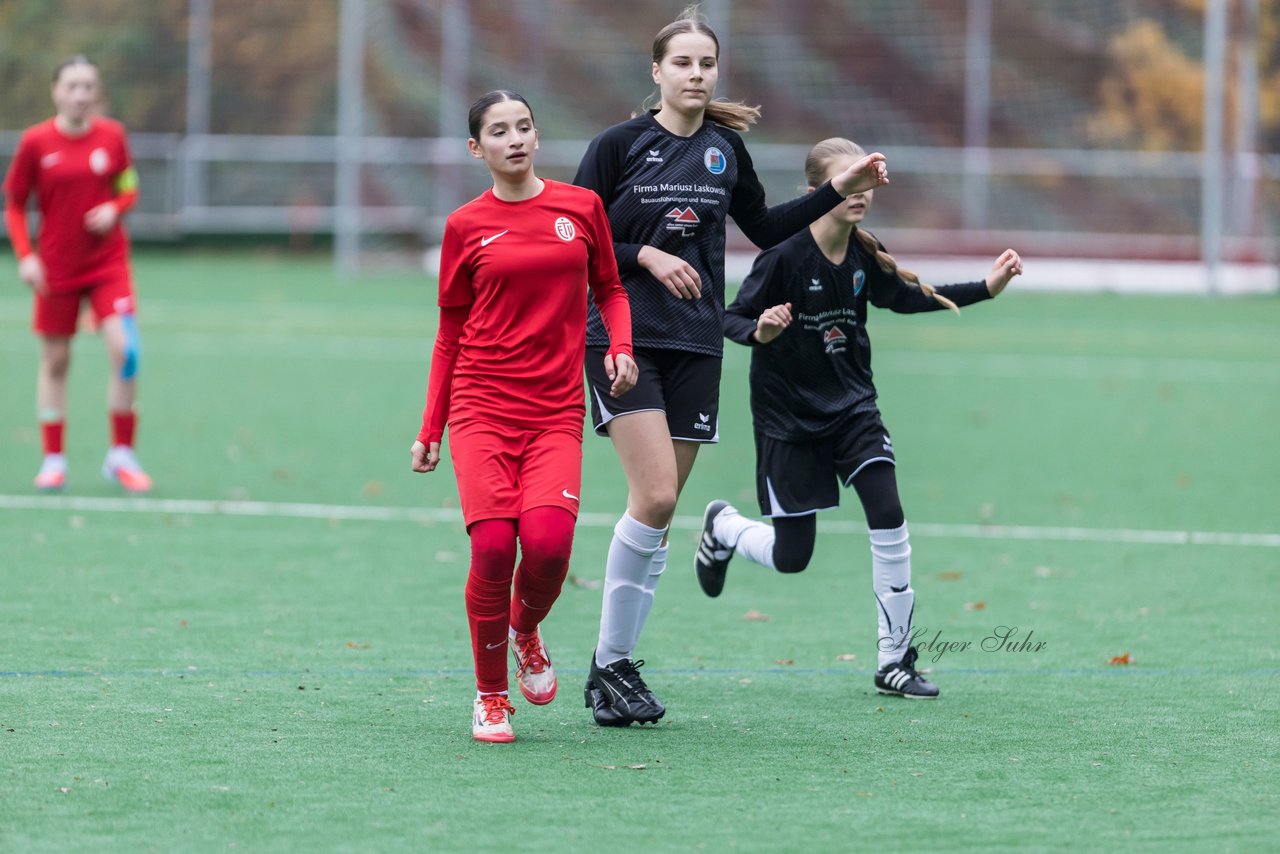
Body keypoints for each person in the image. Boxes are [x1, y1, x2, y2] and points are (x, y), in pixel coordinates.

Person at [572, 5, 890, 727]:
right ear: (656, 72)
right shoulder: (618, 145)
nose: (695, 73)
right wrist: (645, 255)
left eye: (705, 63)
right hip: (622, 338)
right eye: (681, 62)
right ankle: (613, 666)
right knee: (653, 498)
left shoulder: (722, 151)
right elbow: (578, 242)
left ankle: (609, 670)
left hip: (698, 344)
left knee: (657, 513)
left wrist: (839, 188)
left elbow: (770, 226)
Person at [696, 137, 1023, 699]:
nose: (860, 192)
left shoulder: (865, 254)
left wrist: (986, 290)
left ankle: (894, 660)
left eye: (866, 181)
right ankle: (723, 527)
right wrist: (761, 331)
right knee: (792, 557)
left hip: (853, 410)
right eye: (849, 180)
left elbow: (908, 295)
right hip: (790, 421)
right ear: (817, 191)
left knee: (888, 511)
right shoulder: (783, 256)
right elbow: (731, 318)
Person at [410, 91, 637, 743]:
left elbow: (610, 290)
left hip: (554, 412)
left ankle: (524, 628)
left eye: (525, 127)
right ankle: (490, 697)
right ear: (476, 149)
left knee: (546, 547)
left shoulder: (580, 208)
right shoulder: (465, 227)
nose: (516, 139)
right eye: (499, 132)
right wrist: (431, 428)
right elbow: (449, 332)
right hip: (481, 408)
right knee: (490, 546)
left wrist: (620, 348)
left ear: (537, 136)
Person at [4, 55, 150, 493]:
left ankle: (121, 456)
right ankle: (53, 460)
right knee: (56, 361)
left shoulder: (113, 136)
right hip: (56, 268)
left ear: (96, 93)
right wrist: (26, 255)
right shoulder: (35, 142)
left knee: (126, 352)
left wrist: (116, 207)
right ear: (55, 91)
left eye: (88, 87)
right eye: (72, 86)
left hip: (107, 265)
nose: (81, 94)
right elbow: (14, 203)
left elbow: (129, 185)